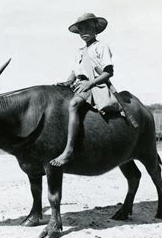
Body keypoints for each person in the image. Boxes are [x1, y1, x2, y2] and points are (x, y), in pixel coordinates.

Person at [50, 13, 121, 167]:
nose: (84, 32)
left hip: (95, 85)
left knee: (74, 104)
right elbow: (74, 73)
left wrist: (90, 84)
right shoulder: (80, 51)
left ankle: (69, 151)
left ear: (96, 28)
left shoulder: (101, 46)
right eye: (81, 30)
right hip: (79, 84)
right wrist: (67, 82)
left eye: (88, 27)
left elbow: (108, 72)